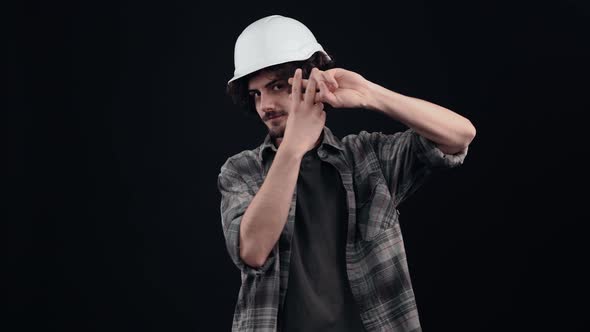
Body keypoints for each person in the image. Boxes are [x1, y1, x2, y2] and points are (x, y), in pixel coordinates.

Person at [218, 15, 476, 332]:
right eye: (256, 93)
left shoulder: (365, 158)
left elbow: (460, 135)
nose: (265, 105)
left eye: (277, 86)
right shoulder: (240, 170)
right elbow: (254, 251)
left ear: (313, 80)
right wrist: (293, 148)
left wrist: (370, 93)